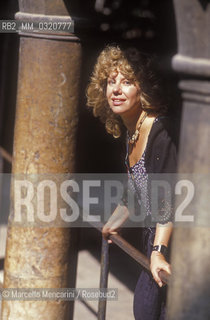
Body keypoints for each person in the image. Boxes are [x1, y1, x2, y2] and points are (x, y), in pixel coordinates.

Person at [86, 45, 177, 320]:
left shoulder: (159, 131)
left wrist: (159, 252)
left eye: (127, 82)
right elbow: (137, 187)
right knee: (145, 310)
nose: (116, 89)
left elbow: (169, 198)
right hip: (155, 236)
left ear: (143, 89)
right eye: (111, 82)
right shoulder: (132, 131)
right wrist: (116, 220)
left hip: (176, 241)